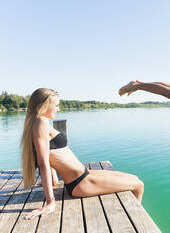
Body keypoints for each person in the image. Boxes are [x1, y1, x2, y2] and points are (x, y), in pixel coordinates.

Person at [21, 88, 144, 220]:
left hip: (85, 174)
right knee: (138, 185)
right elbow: (43, 162)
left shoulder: (39, 122)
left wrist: (52, 179)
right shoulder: (41, 122)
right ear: (45, 105)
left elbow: (48, 153)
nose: (58, 109)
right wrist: (50, 202)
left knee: (136, 179)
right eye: (56, 105)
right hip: (80, 183)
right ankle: (137, 221)